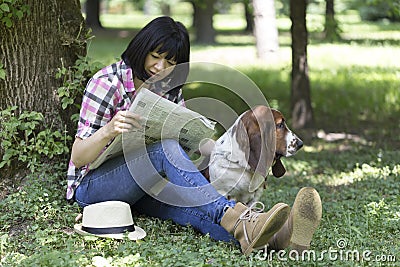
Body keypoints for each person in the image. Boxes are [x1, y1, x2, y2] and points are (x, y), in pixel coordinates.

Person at [66, 16, 322, 256]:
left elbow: (192, 139)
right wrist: (109, 130)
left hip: (143, 184)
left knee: (192, 209)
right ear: (141, 49)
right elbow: (78, 158)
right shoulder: (108, 83)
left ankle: (269, 238)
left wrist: (232, 152)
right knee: (165, 149)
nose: (160, 67)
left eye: (171, 63)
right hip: (93, 187)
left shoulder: (167, 87)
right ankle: (237, 216)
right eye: (155, 57)